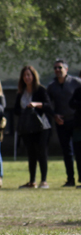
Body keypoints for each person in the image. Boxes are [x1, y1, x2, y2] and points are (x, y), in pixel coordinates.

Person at [14, 65, 52, 189]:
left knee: (42, 152)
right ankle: (32, 181)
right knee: (31, 154)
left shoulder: (40, 90)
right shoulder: (21, 92)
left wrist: (35, 104)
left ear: (33, 76)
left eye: (29, 75)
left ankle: (44, 181)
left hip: (41, 126)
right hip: (27, 127)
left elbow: (48, 105)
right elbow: (15, 109)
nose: (26, 77)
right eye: (24, 75)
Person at [46, 59, 81, 187]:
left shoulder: (76, 82)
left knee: (79, 151)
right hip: (61, 123)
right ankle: (70, 179)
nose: (57, 70)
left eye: (60, 67)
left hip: (76, 122)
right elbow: (47, 103)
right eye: (55, 68)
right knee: (67, 152)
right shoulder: (52, 86)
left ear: (66, 69)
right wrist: (54, 115)